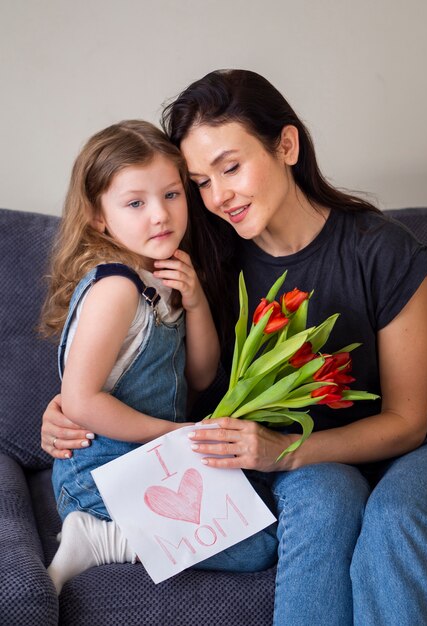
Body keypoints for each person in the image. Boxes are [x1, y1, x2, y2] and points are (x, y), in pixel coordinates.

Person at [41, 71, 427, 625]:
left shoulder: (381, 251)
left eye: (232, 167)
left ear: (286, 146)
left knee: (394, 523)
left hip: (423, 445)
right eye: (199, 182)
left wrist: (281, 452)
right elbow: (157, 365)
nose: (218, 197)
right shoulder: (205, 257)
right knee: (325, 503)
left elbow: (409, 422)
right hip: (312, 456)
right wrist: (65, 409)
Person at [39, 119, 277, 594]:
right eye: (135, 203)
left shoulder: (159, 279)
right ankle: (104, 538)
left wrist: (195, 301)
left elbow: (202, 374)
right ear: (98, 217)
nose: (160, 216)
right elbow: (81, 402)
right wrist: (176, 435)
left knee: (261, 513)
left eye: (171, 195)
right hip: (99, 476)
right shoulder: (116, 288)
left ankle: (116, 531)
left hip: (146, 464)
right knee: (258, 547)